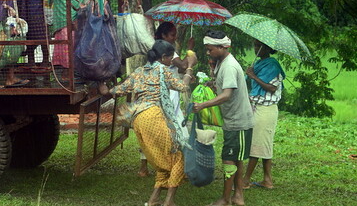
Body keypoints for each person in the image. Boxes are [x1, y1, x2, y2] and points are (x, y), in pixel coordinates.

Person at [107, 40, 197, 206]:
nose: (172, 62)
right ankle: (169, 201)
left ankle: (154, 200)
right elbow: (182, 86)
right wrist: (189, 67)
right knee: (177, 158)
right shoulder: (164, 70)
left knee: (164, 160)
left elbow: (116, 90)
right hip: (154, 117)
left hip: (139, 121)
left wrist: (104, 88)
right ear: (163, 57)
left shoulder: (139, 71)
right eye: (170, 58)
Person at [194, 30, 254, 206]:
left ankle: (226, 199)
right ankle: (238, 196)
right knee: (237, 158)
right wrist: (213, 83)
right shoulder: (223, 62)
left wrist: (204, 105)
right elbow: (224, 87)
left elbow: (227, 94)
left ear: (222, 47)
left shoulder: (229, 66)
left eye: (210, 49)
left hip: (238, 121)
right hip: (233, 120)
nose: (208, 52)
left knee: (228, 159)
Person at [138, 21, 195, 177]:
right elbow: (183, 66)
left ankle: (144, 167)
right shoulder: (167, 50)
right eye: (172, 34)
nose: (175, 37)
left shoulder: (155, 48)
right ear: (163, 35)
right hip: (167, 95)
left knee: (154, 130)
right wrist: (190, 51)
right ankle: (176, 168)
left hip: (157, 93)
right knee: (175, 128)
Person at [242, 39, 285, 189]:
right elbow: (249, 83)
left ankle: (245, 180)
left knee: (257, 144)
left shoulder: (272, 65)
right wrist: (249, 74)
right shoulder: (258, 64)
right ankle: (267, 180)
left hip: (266, 108)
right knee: (264, 144)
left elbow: (271, 88)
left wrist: (253, 75)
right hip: (257, 106)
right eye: (255, 45)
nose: (256, 49)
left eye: (259, 46)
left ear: (267, 48)